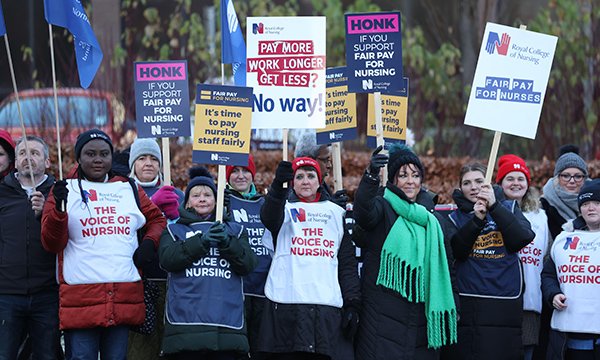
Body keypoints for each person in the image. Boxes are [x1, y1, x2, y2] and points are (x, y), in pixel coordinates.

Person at [41, 129, 166, 359]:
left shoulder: (129, 188)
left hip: (121, 298)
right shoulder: (63, 190)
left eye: (104, 154)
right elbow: (52, 242)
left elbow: (157, 219)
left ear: (112, 157)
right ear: (79, 158)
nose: (98, 159)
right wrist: (59, 210)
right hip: (81, 300)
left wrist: (149, 243)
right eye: (90, 154)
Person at [353, 144, 458, 360]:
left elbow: (447, 268)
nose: (410, 181)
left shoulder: (434, 221)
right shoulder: (382, 207)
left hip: (421, 323)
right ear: (393, 180)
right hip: (382, 324)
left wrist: (454, 302)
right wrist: (371, 175)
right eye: (403, 175)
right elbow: (363, 214)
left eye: (415, 175)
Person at [257, 157, 360, 360]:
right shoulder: (283, 209)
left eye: (311, 176)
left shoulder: (336, 214)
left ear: (319, 181)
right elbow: (269, 217)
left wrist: (353, 304)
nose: (305, 181)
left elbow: (346, 266)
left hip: (325, 313)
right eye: (299, 176)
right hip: (286, 311)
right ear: (292, 182)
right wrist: (278, 186)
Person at [158, 166, 258, 360]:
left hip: (227, 327)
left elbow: (248, 264)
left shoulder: (235, 230)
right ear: (186, 203)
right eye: (195, 195)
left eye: (207, 195)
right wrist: (201, 242)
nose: (202, 199)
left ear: (217, 201)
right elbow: (168, 259)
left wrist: (228, 244)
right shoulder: (173, 231)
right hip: (185, 327)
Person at [445, 162, 534, 360]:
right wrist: (476, 220)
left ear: (489, 184)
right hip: (470, 300)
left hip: (504, 300)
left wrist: (494, 207)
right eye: (467, 183)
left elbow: (522, 238)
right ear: (460, 188)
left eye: (479, 181)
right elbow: (457, 251)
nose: (473, 187)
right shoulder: (452, 218)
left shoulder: (508, 207)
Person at [0, 136, 59, 359]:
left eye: (35, 153)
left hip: (47, 294)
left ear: (47, 161)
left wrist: (48, 212)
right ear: (15, 162)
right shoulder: (2, 193)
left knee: (46, 354)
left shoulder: (58, 193)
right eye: (23, 153)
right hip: (7, 294)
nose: (28, 158)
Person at [126, 137, 184, 359]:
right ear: (133, 164)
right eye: (142, 158)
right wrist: (151, 209)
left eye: (153, 158)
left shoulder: (176, 195)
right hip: (136, 282)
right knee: (140, 348)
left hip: (170, 281)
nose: (148, 163)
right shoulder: (122, 192)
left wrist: (177, 218)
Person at [496, 154, 551, 360]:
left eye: (521, 179)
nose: (516, 183)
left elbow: (546, 257)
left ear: (528, 183)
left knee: (526, 353)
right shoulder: (490, 212)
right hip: (499, 300)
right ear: (500, 183)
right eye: (510, 178)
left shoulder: (540, 216)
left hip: (529, 302)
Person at [541, 179, 600, 359]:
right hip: (567, 336)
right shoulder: (564, 237)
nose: (591, 208)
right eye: (586, 203)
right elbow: (548, 274)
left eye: (597, 203)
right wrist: (553, 294)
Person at [224, 155, 271, 359]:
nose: (241, 176)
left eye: (245, 171)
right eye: (234, 171)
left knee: (260, 347)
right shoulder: (220, 202)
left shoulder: (265, 203)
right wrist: (220, 208)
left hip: (264, 287)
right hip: (234, 288)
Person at [541, 148, 589, 240]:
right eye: (565, 176)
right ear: (557, 178)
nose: (572, 181)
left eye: (578, 176)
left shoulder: (595, 201)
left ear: (585, 178)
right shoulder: (544, 205)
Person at [294, 132, 348, 207]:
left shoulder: (323, 186)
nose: (329, 165)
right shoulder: (288, 189)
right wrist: (329, 208)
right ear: (309, 159)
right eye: (325, 160)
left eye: (329, 160)